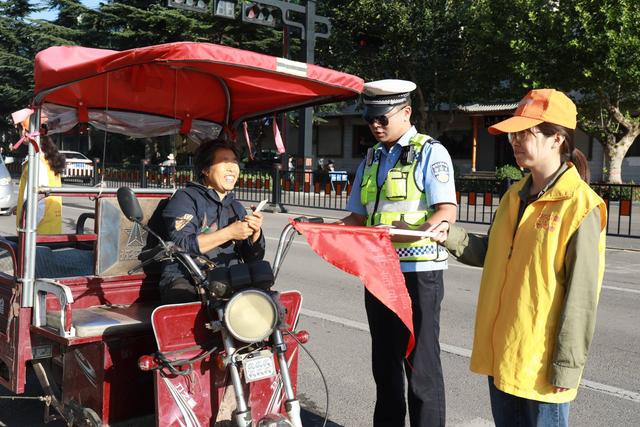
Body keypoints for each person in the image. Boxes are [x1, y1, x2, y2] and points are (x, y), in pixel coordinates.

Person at [432, 89, 607, 427]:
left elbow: (581, 297)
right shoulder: (515, 195)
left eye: (524, 134)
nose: (514, 141)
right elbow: (492, 251)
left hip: (541, 362)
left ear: (557, 139)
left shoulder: (580, 206)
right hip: (504, 350)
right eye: (513, 134)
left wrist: (567, 367)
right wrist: (446, 234)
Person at [339, 79, 457, 427]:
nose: (375, 125)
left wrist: (422, 231)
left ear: (406, 112)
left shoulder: (430, 151)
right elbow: (358, 217)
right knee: (385, 364)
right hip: (379, 272)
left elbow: (446, 211)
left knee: (420, 365)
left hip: (418, 272)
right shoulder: (372, 157)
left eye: (383, 118)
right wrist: (317, 227)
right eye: (370, 119)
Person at [159, 139, 265, 304]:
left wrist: (255, 232)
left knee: (265, 286)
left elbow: (253, 258)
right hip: (189, 276)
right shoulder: (185, 198)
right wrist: (229, 232)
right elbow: (181, 245)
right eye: (224, 161)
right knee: (183, 296)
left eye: (234, 162)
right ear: (205, 170)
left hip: (230, 276)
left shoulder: (236, 206)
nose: (231, 167)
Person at [15, 132, 65, 234]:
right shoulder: (47, 161)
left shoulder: (37, 163)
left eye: (20, 129)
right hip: (51, 230)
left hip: (37, 235)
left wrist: (25, 226)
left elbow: (38, 202)